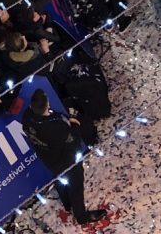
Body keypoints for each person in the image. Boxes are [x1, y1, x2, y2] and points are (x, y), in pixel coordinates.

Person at [21, 91, 107, 224]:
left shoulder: (27, 117)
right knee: (76, 184)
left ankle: (67, 203)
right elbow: (73, 140)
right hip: (66, 159)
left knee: (59, 179)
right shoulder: (54, 126)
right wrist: (75, 124)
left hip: (47, 158)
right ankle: (81, 216)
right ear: (47, 104)